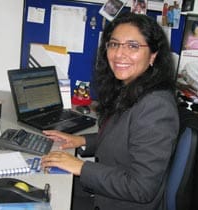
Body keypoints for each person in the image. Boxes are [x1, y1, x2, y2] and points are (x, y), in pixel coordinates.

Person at [41, 12, 179, 210]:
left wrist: (81, 167)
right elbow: (125, 138)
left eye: (133, 46)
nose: (119, 54)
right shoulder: (131, 88)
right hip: (106, 192)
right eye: (114, 44)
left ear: (153, 56)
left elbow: (142, 187)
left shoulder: (156, 107)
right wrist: (82, 141)